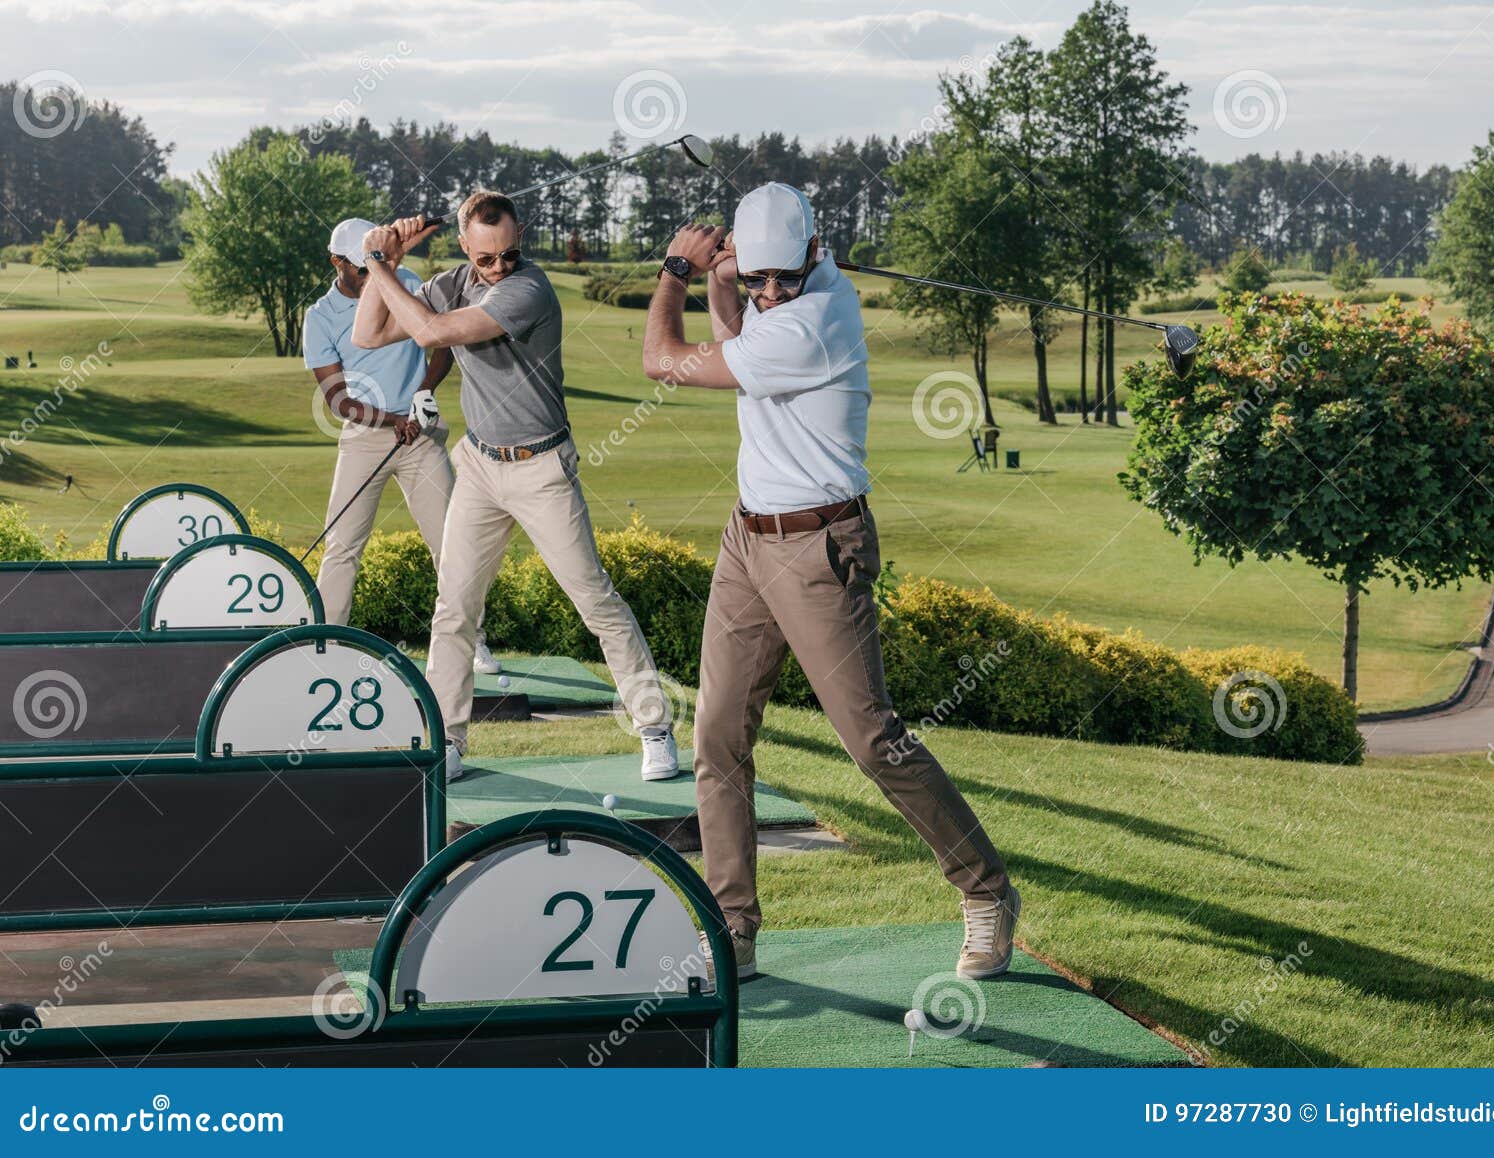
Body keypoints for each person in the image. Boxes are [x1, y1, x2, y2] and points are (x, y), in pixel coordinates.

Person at [640, 183, 1019, 981]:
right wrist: (726, 282)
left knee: (873, 739)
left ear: (817, 253)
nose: (772, 295)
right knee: (715, 738)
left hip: (820, 551)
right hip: (748, 540)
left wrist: (679, 269)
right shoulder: (793, 291)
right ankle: (732, 927)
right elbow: (741, 345)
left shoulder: (816, 322)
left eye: (785, 279)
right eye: (759, 281)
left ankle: (986, 892)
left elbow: (664, 362)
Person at [351, 194, 677, 782]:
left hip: (541, 467)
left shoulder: (529, 289)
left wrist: (378, 263)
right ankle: (448, 741)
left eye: (507, 253)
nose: (498, 266)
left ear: (520, 236)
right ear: (464, 245)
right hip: (479, 464)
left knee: (595, 601)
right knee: (453, 610)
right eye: (485, 258)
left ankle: (654, 728)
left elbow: (431, 334)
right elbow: (368, 333)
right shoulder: (453, 282)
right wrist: (390, 263)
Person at [303, 219, 500, 679]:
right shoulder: (320, 316)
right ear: (337, 263)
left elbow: (443, 342)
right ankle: (325, 643)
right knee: (342, 545)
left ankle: (475, 642)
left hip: (421, 438)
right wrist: (392, 420)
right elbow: (337, 399)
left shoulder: (405, 282)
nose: (374, 277)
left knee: (453, 543)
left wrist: (422, 395)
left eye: (378, 265)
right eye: (363, 268)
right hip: (365, 440)